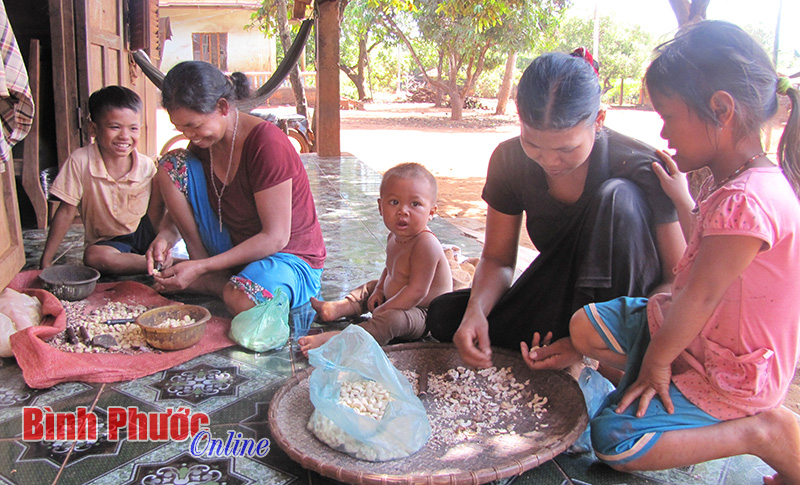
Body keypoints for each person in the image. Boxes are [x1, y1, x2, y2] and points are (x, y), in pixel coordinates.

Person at [560, 21, 800, 484]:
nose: (664, 131)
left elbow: (702, 296)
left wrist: (656, 364)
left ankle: (760, 432)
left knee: (612, 440)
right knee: (583, 327)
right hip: (693, 332)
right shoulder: (744, 185)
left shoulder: (747, 201)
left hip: (727, 368)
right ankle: (652, 387)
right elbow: (707, 255)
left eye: (669, 115)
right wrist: (682, 199)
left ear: (721, 109)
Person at [425, 51, 686, 369]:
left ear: (599, 120)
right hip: (562, 294)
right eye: (533, 144)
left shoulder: (642, 167)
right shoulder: (509, 160)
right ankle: (566, 344)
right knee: (445, 317)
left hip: (624, 307)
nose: (549, 161)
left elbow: (677, 281)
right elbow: (497, 259)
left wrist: (586, 345)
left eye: (566, 149)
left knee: (619, 197)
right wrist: (476, 312)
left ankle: (602, 357)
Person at [146, 61, 325, 315]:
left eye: (194, 125)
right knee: (171, 166)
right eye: (181, 128)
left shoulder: (267, 144)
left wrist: (203, 269)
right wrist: (165, 235)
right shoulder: (205, 141)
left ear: (222, 107)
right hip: (233, 246)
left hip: (288, 258)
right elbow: (186, 200)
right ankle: (208, 271)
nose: (190, 136)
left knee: (244, 300)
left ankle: (211, 281)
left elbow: (276, 237)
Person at [299, 163, 452, 353]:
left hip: (423, 313)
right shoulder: (394, 237)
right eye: (394, 202)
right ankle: (339, 308)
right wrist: (380, 289)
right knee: (370, 287)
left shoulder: (426, 245)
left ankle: (340, 340)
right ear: (380, 207)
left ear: (431, 212)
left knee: (390, 320)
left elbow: (417, 291)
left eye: (415, 204)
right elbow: (389, 269)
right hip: (398, 298)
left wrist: (385, 308)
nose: (403, 211)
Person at [40, 85, 161, 275]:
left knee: (169, 181)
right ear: (93, 128)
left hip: (146, 234)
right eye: (115, 127)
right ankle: (161, 264)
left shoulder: (146, 166)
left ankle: (160, 259)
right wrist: (46, 262)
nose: (125, 136)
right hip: (109, 243)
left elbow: (161, 209)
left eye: (133, 128)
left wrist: (163, 239)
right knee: (94, 258)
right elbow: (65, 212)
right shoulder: (80, 161)